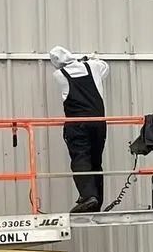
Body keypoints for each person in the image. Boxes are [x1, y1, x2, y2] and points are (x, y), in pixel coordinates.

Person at [47, 46, 111, 214]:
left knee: (81, 158)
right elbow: (105, 67)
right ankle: (96, 202)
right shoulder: (93, 66)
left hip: (76, 124)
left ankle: (89, 196)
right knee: (96, 161)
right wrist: (88, 60)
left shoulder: (60, 75)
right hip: (98, 123)